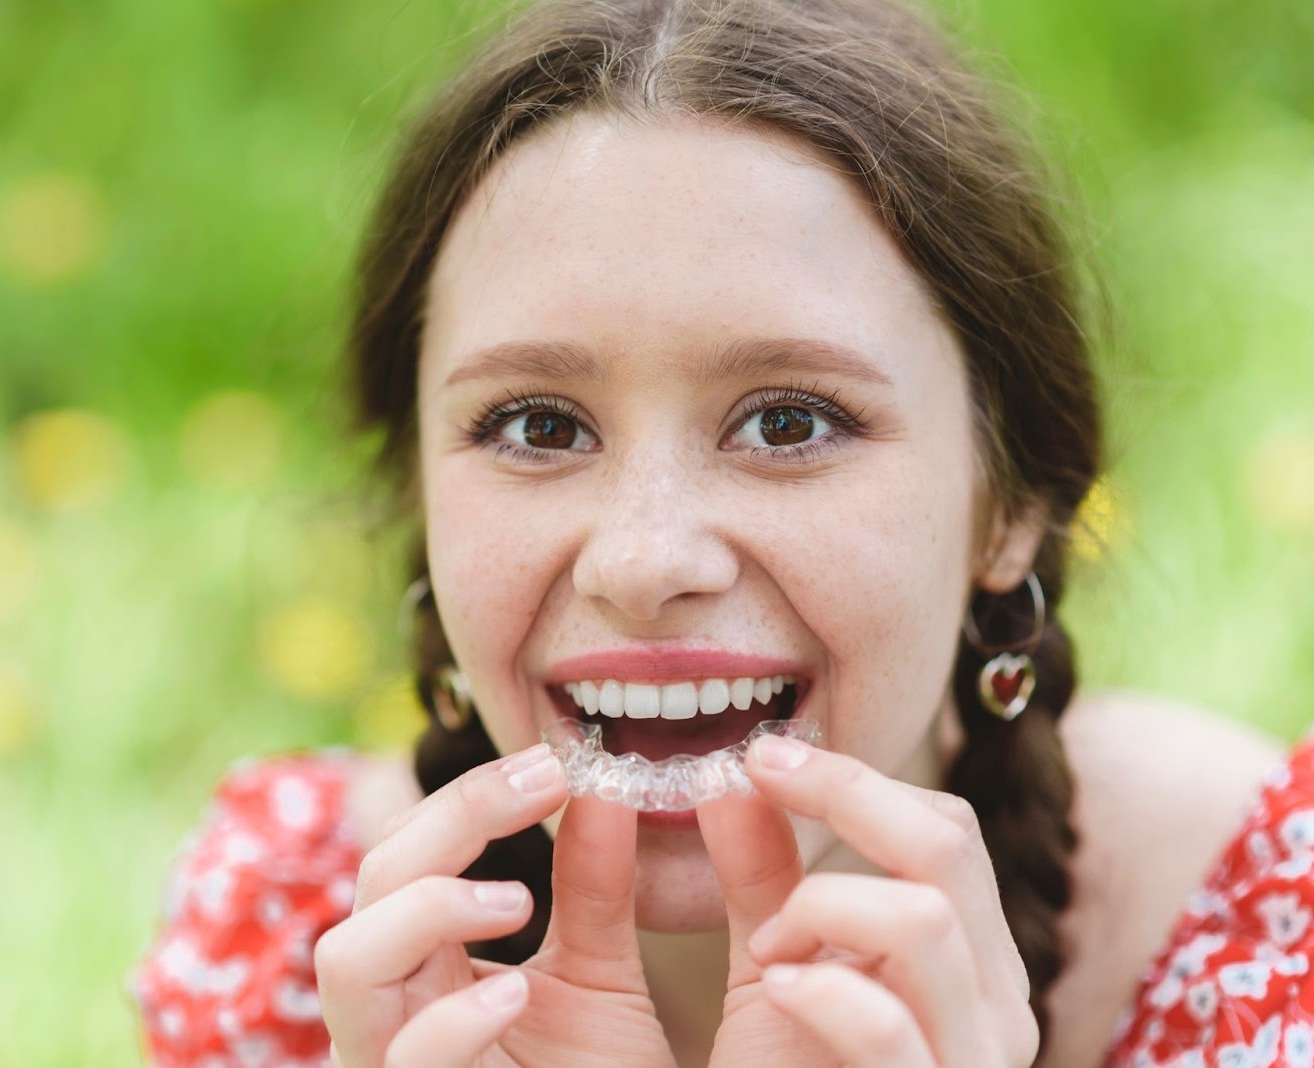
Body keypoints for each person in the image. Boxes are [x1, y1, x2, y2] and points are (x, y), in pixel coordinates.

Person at [129, 0, 1310, 1063]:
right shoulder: (290, 942)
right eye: (537, 426)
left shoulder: (1266, 927)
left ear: (1010, 507)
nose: (644, 561)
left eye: (790, 421)